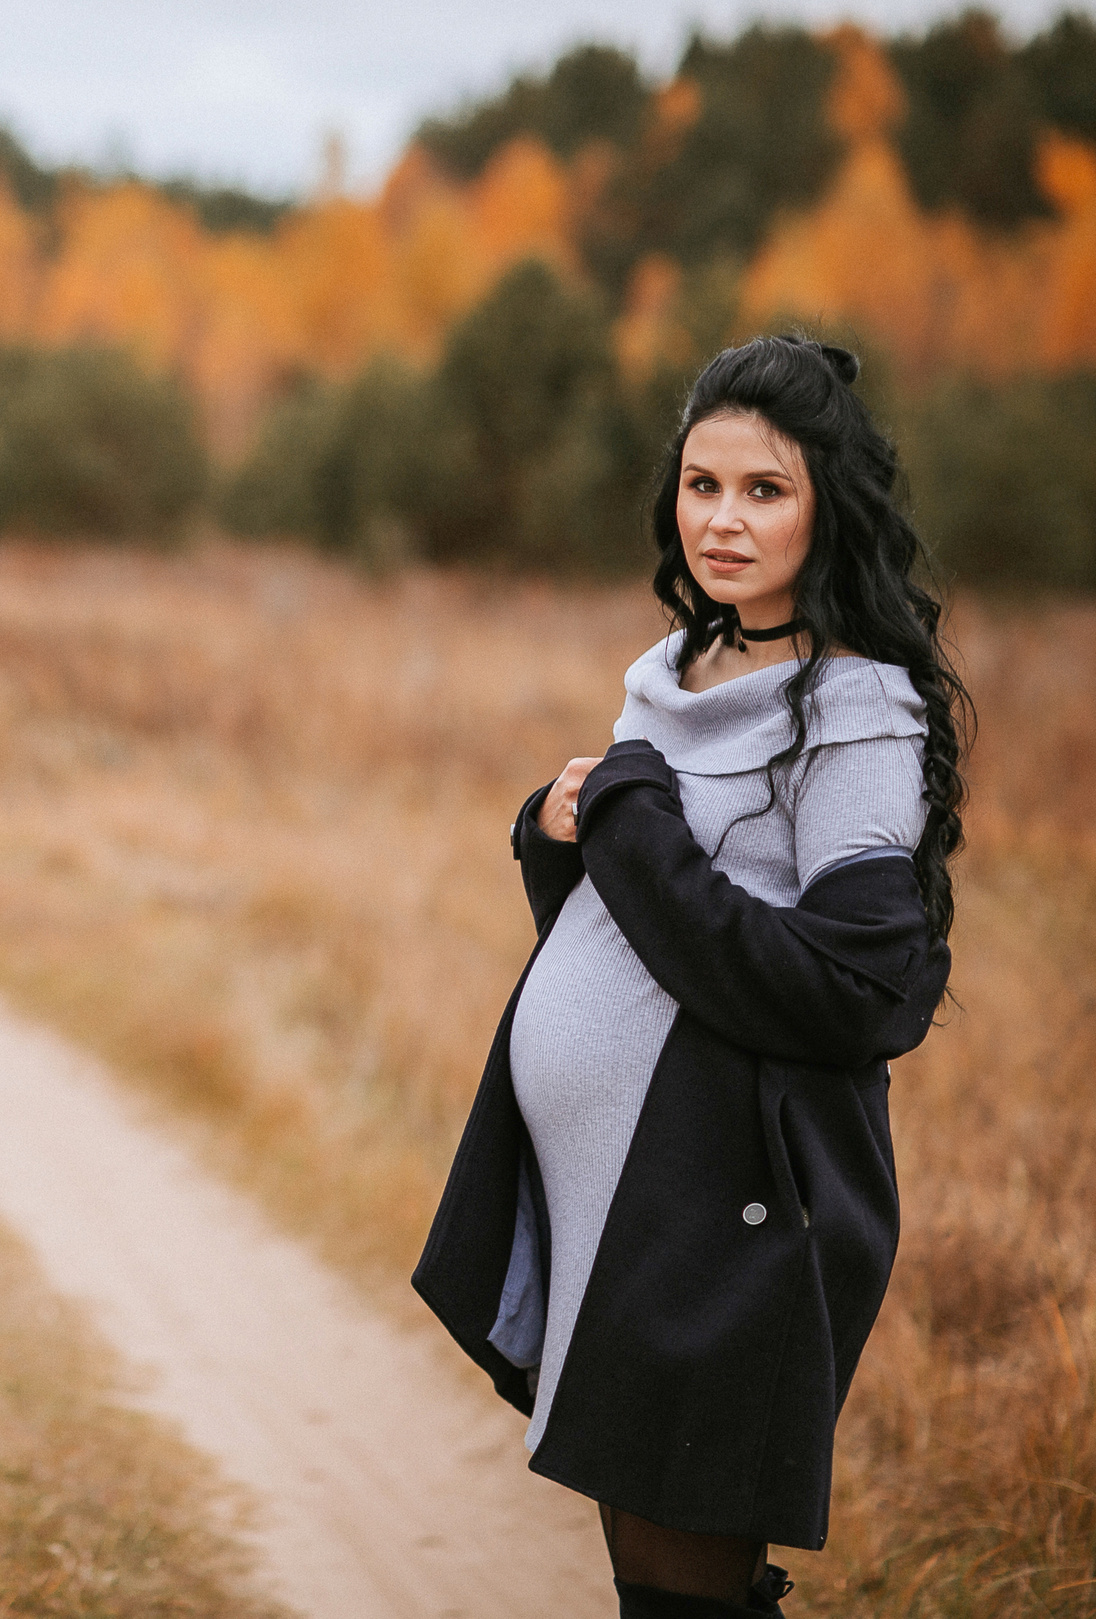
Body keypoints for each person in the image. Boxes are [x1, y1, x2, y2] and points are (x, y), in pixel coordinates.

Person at [410, 335, 972, 1617]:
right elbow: (639, 926)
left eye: (764, 490)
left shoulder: (852, 714)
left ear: (828, 506)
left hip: (736, 1208)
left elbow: (855, 992)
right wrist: (552, 834)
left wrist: (631, 821)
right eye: (701, 484)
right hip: (628, 1202)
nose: (722, 520)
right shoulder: (677, 674)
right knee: (655, 1576)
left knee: (687, 1588)